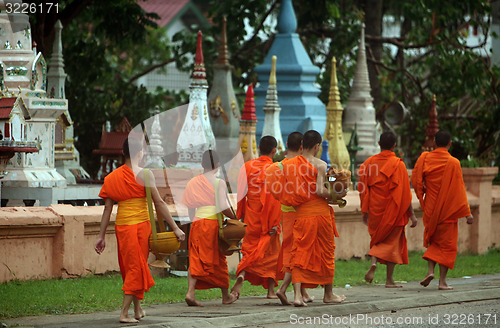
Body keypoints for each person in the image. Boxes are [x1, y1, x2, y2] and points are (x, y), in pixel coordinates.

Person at [95, 138, 185, 323]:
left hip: (123, 228)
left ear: (123, 152)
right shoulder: (146, 174)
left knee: (132, 267)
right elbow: (159, 203)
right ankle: (124, 313)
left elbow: (107, 209)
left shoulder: (112, 178)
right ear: (141, 152)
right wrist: (175, 227)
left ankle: (137, 309)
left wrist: (101, 236)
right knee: (136, 268)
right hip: (141, 227)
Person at [280, 130, 346, 307]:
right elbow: (322, 189)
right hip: (320, 214)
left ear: (302, 144)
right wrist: (337, 194)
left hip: (301, 214)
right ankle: (328, 294)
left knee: (300, 251)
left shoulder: (289, 165)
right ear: (317, 146)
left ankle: (296, 296)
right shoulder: (321, 164)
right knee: (326, 251)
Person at [411, 130, 473, 290]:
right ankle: (442, 282)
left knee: (433, 239)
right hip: (448, 210)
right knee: (447, 246)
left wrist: (423, 192)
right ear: (450, 144)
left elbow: (416, 180)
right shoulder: (454, 163)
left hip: (431, 207)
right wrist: (467, 213)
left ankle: (430, 271)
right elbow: (459, 190)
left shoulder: (425, 158)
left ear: (434, 143)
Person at [358, 131, 418, 288]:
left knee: (378, 238)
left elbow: (363, 189)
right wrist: (412, 216)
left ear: (379, 144)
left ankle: (373, 261)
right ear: (394, 146)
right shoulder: (399, 165)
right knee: (392, 244)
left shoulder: (368, 163)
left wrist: (365, 210)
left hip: (375, 209)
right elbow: (405, 194)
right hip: (394, 209)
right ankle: (389, 280)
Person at [182, 150, 238, 306]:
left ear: (202, 164)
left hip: (197, 223)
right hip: (212, 224)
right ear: (218, 165)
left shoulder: (193, 182)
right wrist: (235, 218)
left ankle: (190, 293)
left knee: (195, 259)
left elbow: (189, 207)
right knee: (219, 259)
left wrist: (195, 221)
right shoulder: (218, 182)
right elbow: (223, 206)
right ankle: (226, 296)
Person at [230, 136, 282, 299]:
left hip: (251, 217)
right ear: (274, 151)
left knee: (249, 250)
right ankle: (271, 291)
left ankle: (242, 273)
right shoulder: (275, 169)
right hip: (269, 218)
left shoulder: (247, 166)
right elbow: (275, 198)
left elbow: (241, 194)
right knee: (272, 254)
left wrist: (240, 216)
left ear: (259, 148)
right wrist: (275, 223)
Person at [265, 132, 313, 305]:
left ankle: (302, 292)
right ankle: (290, 290)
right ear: (302, 146)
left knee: (289, 249)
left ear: (286, 144)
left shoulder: (276, 167)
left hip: (285, 212)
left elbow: (274, 191)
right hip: (301, 213)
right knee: (299, 251)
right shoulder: (303, 165)